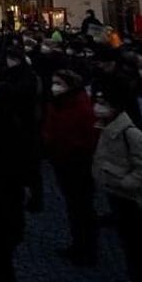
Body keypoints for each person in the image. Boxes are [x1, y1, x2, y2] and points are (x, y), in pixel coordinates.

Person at [91, 80, 142, 282]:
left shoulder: (130, 133)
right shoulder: (106, 125)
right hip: (118, 194)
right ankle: (134, 279)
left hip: (134, 198)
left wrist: (125, 183)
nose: (98, 107)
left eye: (103, 103)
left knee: (139, 242)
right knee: (128, 241)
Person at [41, 69, 98, 265]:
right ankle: (78, 243)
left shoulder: (81, 107)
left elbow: (85, 136)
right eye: (53, 82)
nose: (54, 87)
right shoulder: (57, 103)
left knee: (81, 206)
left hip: (76, 161)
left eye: (59, 83)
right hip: (61, 158)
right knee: (73, 205)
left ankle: (88, 248)